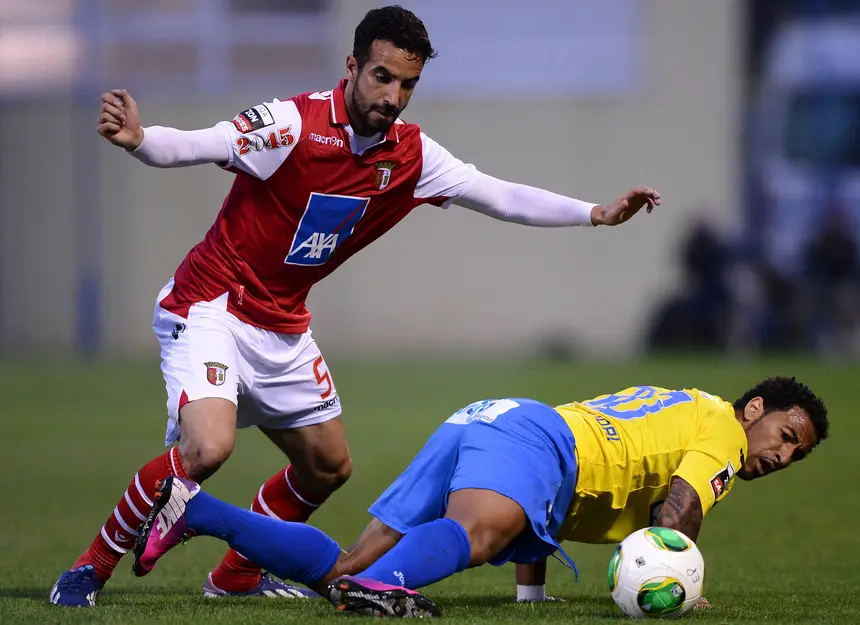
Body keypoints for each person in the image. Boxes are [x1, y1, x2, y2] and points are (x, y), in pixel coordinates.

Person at [49, 5, 661, 607]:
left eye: (408, 84)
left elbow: (499, 194)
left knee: (328, 467)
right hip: (212, 302)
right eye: (382, 77)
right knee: (208, 450)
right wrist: (140, 139)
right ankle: (89, 569)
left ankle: (236, 573)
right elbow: (201, 143)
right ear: (352, 66)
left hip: (281, 324)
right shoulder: (291, 124)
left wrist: (595, 214)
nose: (393, 96)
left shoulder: (412, 156)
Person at [129, 376, 828, 617]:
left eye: (796, 454)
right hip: (536, 439)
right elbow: (677, 509)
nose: (781, 453)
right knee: (477, 531)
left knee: (345, 565)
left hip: (497, 421)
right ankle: (378, 590)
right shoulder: (724, 437)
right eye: (786, 433)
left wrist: (530, 596)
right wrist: (680, 575)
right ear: (755, 407)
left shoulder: (687, 405)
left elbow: (551, 501)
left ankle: (195, 507)